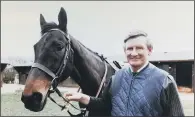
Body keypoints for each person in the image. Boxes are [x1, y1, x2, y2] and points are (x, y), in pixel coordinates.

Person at [64, 30, 185, 116]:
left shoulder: (164, 81)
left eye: (139, 48)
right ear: (124, 51)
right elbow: (104, 105)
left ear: (149, 50)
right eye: (129, 49)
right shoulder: (116, 78)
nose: (133, 53)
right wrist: (82, 97)